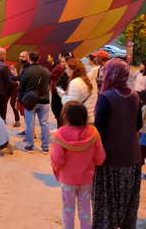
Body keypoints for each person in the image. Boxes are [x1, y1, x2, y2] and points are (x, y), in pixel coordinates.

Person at [92, 58, 142, 229]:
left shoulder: (106, 97)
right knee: (127, 204)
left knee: (107, 206)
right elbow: (138, 125)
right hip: (132, 158)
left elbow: (98, 130)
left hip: (110, 161)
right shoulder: (135, 95)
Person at [51, 101, 105, 229]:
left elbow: (57, 159)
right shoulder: (93, 132)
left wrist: (57, 168)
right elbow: (100, 158)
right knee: (85, 210)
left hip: (68, 180)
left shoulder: (60, 134)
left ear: (66, 116)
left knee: (67, 211)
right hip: (86, 179)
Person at [19, 50, 51, 154]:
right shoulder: (46, 70)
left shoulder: (27, 71)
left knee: (30, 124)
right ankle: (45, 148)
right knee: (44, 124)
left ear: (29, 59)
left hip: (31, 101)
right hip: (45, 100)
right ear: (39, 58)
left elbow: (21, 87)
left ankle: (30, 146)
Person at [58, 59, 97, 125]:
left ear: (73, 70)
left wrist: (63, 96)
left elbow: (70, 105)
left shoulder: (75, 82)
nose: (66, 71)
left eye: (67, 68)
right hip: (90, 115)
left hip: (81, 118)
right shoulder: (87, 80)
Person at [50, 51, 73, 127]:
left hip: (60, 100)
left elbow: (52, 76)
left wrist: (61, 93)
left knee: (60, 115)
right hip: (59, 99)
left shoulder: (67, 75)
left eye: (63, 62)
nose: (61, 64)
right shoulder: (65, 73)